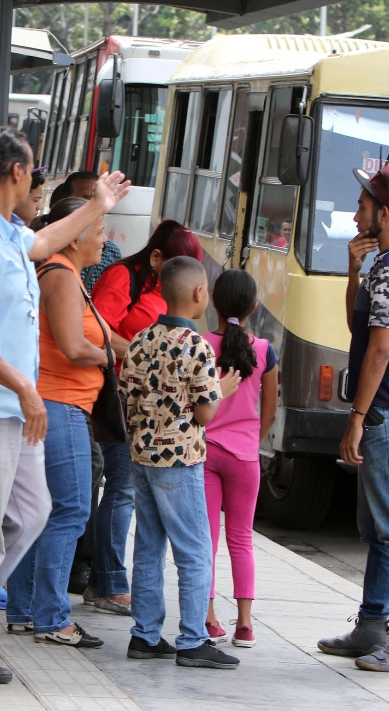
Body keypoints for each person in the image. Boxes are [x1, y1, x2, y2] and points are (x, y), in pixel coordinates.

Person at [0, 126, 129, 685]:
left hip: (11, 407)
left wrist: (98, 205)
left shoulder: (4, 230)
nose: (36, 180)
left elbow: (42, 242)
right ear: (16, 173)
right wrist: (24, 386)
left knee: (32, 513)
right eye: (33, 171)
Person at [317, 165, 389, 672]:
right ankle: (372, 624)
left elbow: (379, 350)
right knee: (381, 524)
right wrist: (351, 273)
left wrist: (357, 416)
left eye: (363, 206)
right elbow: (359, 326)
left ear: (384, 214)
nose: (355, 213)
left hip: (387, 411)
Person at [119, 255, 239, 669]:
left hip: (142, 457)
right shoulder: (197, 346)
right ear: (198, 293)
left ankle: (145, 635)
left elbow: (127, 399)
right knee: (194, 551)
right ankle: (192, 640)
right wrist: (220, 389)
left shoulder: (139, 340)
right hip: (180, 459)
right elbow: (205, 414)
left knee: (149, 548)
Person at [83, 220, 203, 615]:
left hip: (146, 405)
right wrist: (144, 351)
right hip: (118, 396)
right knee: (121, 489)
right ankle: (110, 581)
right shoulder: (124, 277)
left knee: (126, 492)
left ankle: (104, 578)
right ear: (156, 258)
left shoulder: (159, 290)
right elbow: (95, 329)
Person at [5, 196, 109, 649]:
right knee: (70, 511)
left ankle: (25, 610)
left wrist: (142, 350)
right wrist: (113, 359)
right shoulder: (63, 278)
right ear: (77, 234)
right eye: (101, 230)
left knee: (44, 512)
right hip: (63, 404)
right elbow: (75, 347)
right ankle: (52, 617)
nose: (106, 240)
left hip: (58, 405)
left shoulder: (64, 276)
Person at [201, 269, 279, 648]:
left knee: (206, 539)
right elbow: (270, 412)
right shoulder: (265, 350)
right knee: (241, 539)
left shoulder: (200, 343)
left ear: (213, 302)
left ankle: (209, 616)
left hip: (204, 453)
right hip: (245, 459)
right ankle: (244, 624)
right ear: (254, 307)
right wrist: (250, 439)